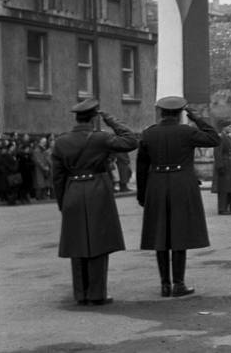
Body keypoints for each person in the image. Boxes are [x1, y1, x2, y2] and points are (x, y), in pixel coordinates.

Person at [51, 99, 137, 306]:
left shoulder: (61, 142)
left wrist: (63, 203)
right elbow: (131, 141)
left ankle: (81, 294)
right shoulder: (102, 138)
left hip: (72, 191)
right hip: (97, 190)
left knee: (77, 244)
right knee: (99, 243)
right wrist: (111, 120)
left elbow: (57, 177)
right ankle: (97, 294)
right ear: (93, 118)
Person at [137, 96, 220, 297]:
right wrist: (197, 118)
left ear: (161, 112)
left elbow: (141, 167)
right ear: (181, 113)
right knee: (179, 234)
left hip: (156, 185)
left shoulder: (149, 134)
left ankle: (165, 284)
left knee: (160, 236)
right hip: (182, 186)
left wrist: (142, 194)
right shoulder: (188, 132)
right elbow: (214, 138)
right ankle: (179, 284)